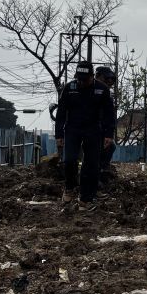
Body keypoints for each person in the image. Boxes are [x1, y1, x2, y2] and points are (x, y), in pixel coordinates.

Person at [55, 61, 115, 209]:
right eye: (79, 79)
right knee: (70, 160)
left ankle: (85, 199)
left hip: (93, 130)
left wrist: (108, 134)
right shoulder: (70, 88)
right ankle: (69, 188)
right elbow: (61, 112)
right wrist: (59, 134)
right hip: (72, 129)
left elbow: (109, 114)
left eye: (85, 80)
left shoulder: (102, 90)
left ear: (92, 77)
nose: (82, 83)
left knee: (91, 165)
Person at [94, 66, 117, 186]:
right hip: (88, 128)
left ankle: (102, 170)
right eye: (106, 78)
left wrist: (109, 133)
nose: (109, 81)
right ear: (98, 76)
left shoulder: (106, 93)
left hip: (102, 128)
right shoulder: (90, 90)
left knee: (110, 147)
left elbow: (110, 115)